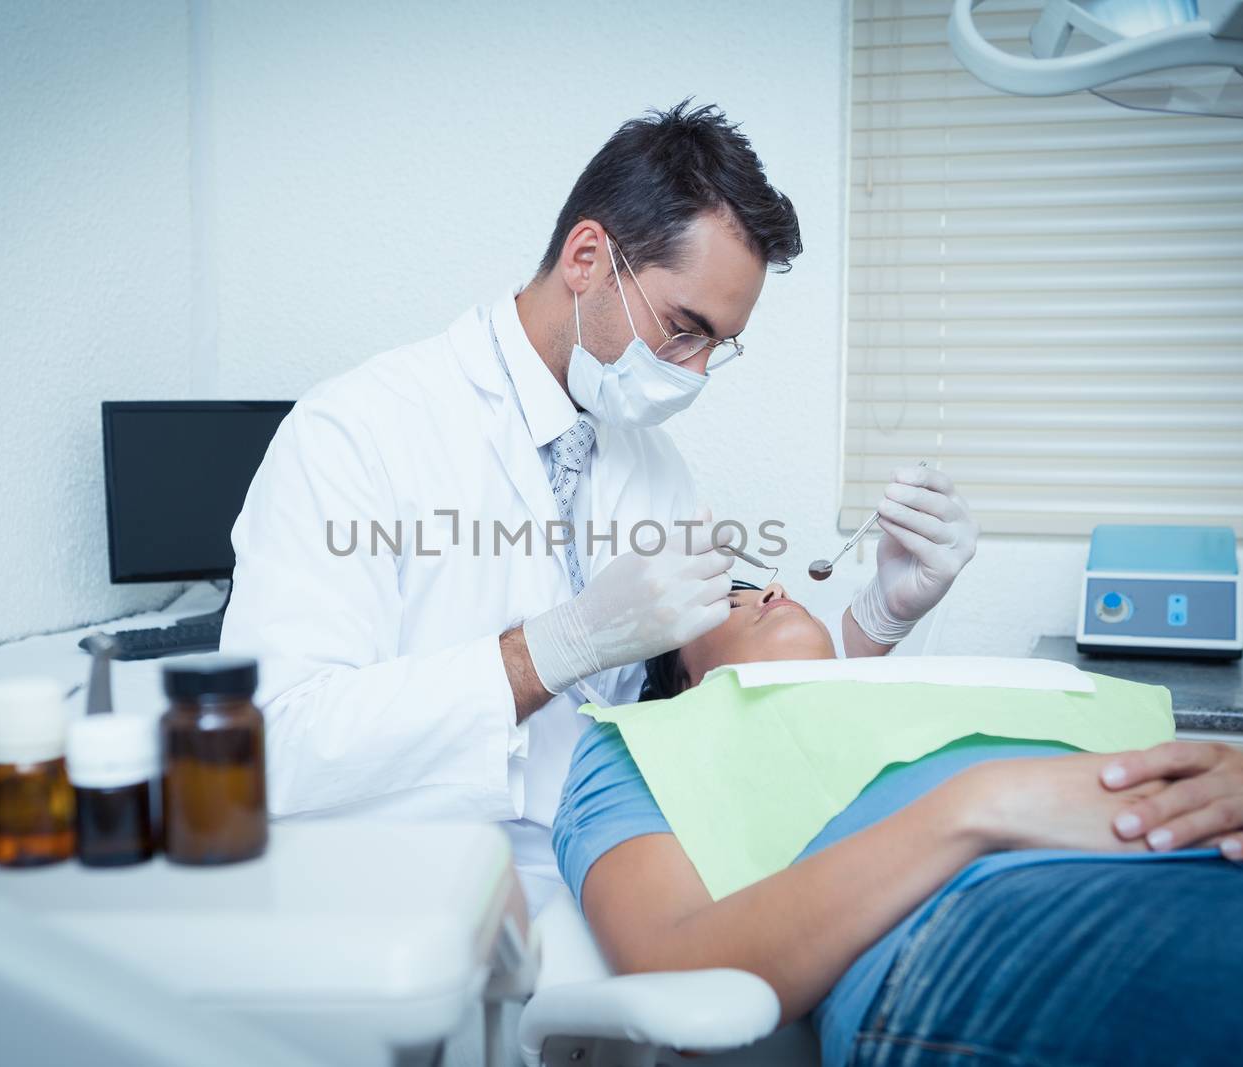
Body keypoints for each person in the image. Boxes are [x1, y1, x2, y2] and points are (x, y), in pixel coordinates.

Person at [219, 102, 979, 909]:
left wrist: (875, 617)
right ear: (587, 258)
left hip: (610, 881)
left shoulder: (650, 462)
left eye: (719, 344)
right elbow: (268, 746)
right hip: (407, 907)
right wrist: (550, 650)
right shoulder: (358, 432)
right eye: (684, 329)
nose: (695, 370)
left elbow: (734, 704)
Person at [555, 582, 1243, 1066]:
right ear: (681, 679)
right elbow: (673, 973)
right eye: (725, 600)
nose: (768, 590)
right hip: (1005, 921)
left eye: (764, 582)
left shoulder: (979, 683)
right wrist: (982, 806)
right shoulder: (645, 744)